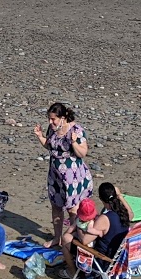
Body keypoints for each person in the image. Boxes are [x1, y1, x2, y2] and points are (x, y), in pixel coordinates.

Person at [33, 101, 91, 253]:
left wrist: (73, 143)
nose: (50, 122)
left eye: (53, 119)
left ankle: (72, 240)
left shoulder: (76, 130)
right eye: (49, 119)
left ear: (63, 117)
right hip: (55, 175)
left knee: (73, 209)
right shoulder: (53, 129)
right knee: (56, 207)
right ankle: (57, 237)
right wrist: (40, 136)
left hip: (72, 177)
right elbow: (50, 145)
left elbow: (82, 153)